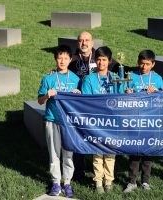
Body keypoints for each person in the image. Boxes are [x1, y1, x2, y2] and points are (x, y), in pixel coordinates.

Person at [38, 45, 81, 197]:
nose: (62, 61)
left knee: (68, 154)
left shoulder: (76, 79)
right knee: (54, 153)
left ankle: (67, 183)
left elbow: (80, 103)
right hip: (52, 120)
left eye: (65, 58)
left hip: (69, 122)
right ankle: (56, 182)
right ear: (55, 59)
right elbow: (40, 101)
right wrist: (47, 95)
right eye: (59, 58)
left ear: (70, 59)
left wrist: (78, 95)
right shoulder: (48, 78)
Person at [123, 50, 163, 193]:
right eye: (141, 63)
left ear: (153, 64)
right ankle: (132, 181)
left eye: (147, 64)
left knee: (148, 152)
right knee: (134, 151)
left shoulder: (158, 79)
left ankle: (145, 181)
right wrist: (127, 94)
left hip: (150, 120)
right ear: (137, 62)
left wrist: (158, 91)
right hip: (134, 119)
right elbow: (123, 94)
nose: (144, 66)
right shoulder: (131, 76)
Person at [81, 46, 120, 193]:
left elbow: (121, 99)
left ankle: (108, 181)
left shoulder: (116, 78)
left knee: (110, 152)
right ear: (95, 61)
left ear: (109, 61)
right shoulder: (89, 79)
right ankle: (98, 182)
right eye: (98, 60)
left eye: (104, 60)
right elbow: (86, 101)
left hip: (112, 121)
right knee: (97, 153)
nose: (101, 63)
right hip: (96, 121)